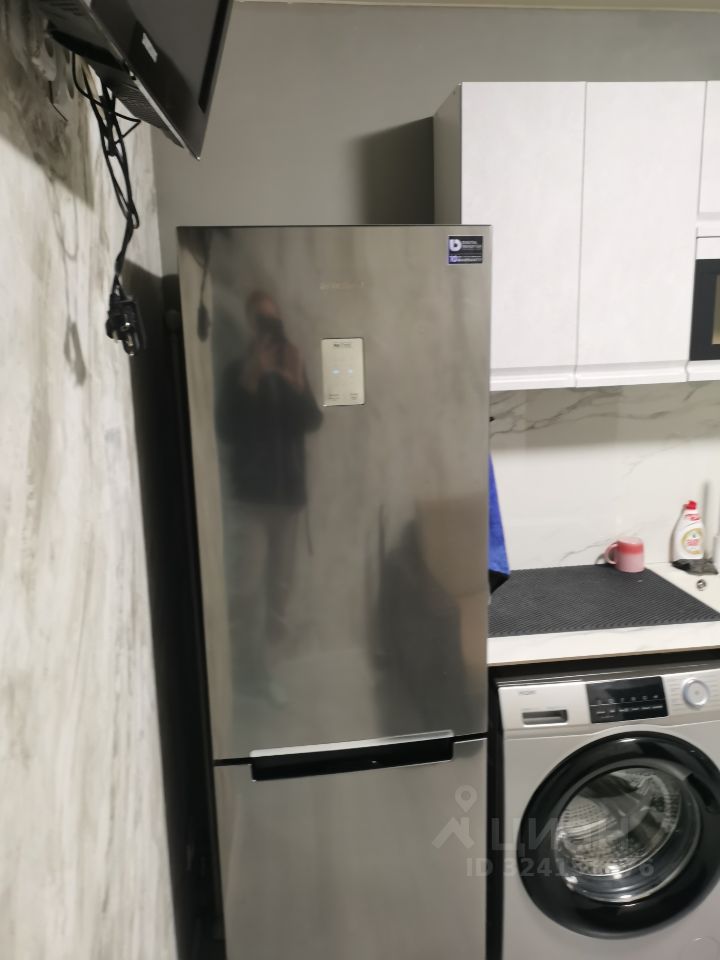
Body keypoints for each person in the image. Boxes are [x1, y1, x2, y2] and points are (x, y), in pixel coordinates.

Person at [216, 292, 322, 703]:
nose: (268, 328)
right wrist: (250, 379)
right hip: (252, 500)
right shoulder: (237, 372)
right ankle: (245, 672)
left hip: (289, 499)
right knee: (245, 589)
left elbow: (312, 421)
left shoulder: (292, 367)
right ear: (249, 324)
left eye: (273, 320)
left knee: (279, 592)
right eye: (260, 320)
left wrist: (296, 382)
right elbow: (226, 431)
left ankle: (269, 671)